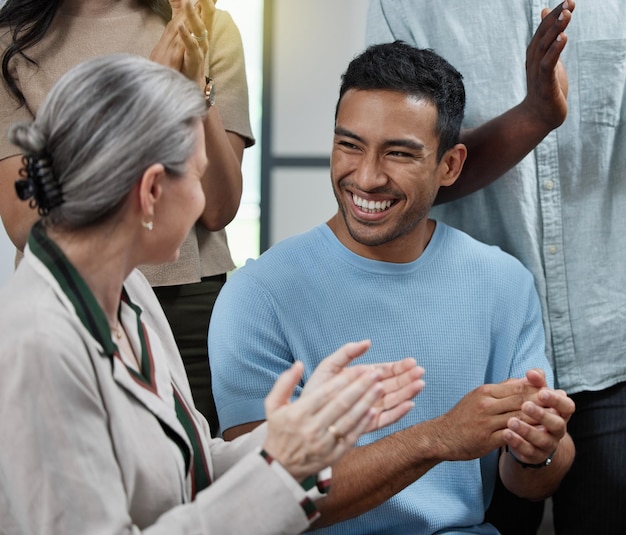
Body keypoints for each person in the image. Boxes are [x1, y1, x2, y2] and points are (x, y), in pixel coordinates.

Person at [0, 53, 426, 534]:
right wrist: (285, 471)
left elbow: (190, 467)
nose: (206, 201)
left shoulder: (127, 290)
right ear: (151, 191)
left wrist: (298, 433)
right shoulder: (39, 344)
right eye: (199, 177)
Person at [208, 41, 576, 534]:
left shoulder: (503, 282)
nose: (366, 176)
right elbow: (263, 499)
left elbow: (529, 483)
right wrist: (438, 439)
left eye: (398, 153)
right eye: (349, 145)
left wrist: (540, 450)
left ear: (450, 165)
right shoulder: (257, 295)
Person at [366, 1, 626, 534]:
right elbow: (397, 172)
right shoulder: (407, 6)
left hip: (611, 346)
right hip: (474, 361)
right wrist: (534, 115)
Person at [0, 0, 252, 433]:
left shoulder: (205, 26)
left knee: (192, 472)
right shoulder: (12, 42)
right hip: (71, 298)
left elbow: (215, 208)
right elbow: (29, 221)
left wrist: (192, 86)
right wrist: (146, 97)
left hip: (190, 309)